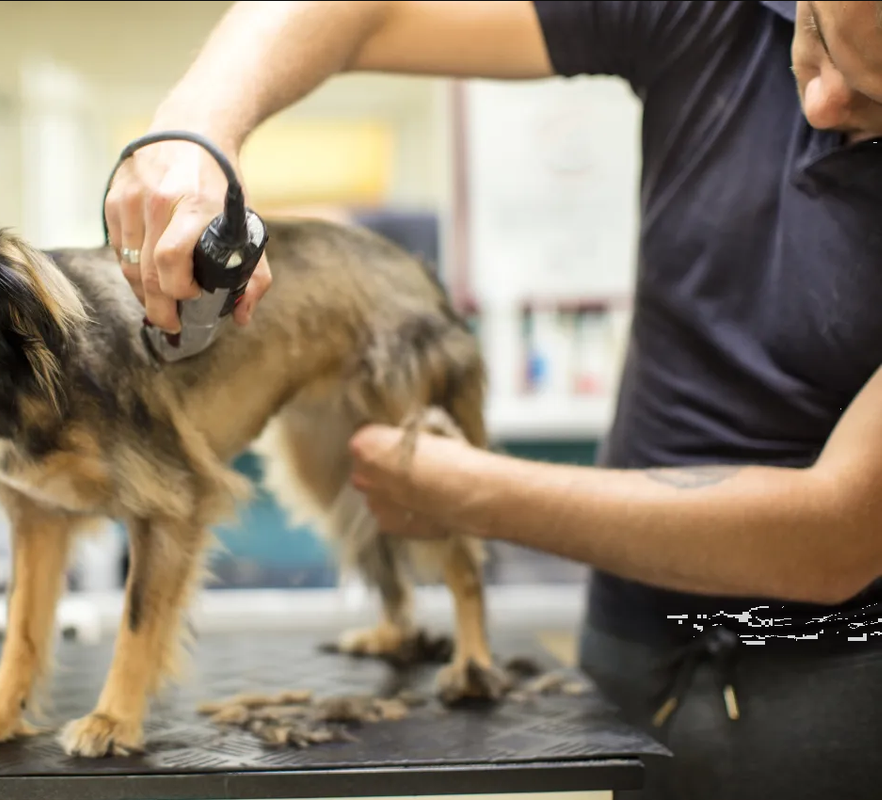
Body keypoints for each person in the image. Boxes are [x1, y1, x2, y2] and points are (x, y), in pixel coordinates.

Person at [103, 2, 882, 797]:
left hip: (841, 694)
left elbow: (836, 534)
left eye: (879, 96)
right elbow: (364, 12)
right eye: (818, 36)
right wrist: (193, 133)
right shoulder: (717, 15)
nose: (821, 104)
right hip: (633, 653)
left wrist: (465, 490)